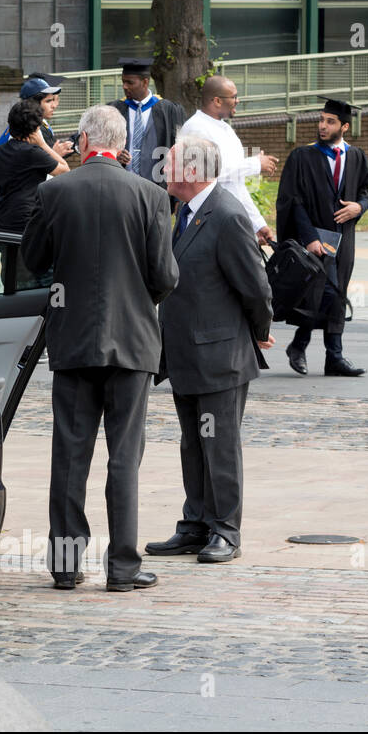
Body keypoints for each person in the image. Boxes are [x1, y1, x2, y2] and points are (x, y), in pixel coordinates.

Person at [20, 104, 179, 592]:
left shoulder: (54, 191)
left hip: (73, 340)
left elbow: (32, 260)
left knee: (70, 456)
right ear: (121, 144)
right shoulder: (150, 194)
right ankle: (124, 568)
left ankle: (66, 567)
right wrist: (137, 300)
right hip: (131, 342)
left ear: (85, 142)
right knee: (124, 458)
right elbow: (166, 276)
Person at [147, 137, 275, 564]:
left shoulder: (226, 215)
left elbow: (255, 287)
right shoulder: (185, 211)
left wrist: (260, 332)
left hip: (220, 355)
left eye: (173, 162)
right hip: (184, 352)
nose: (165, 166)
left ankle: (225, 529)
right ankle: (195, 524)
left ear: (194, 171)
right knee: (192, 443)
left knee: (217, 443)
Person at [276, 98, 368, 377]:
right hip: (314, 238)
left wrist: (359, 207)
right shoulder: (302, 157)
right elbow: (291, 200)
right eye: (321, 120)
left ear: (344, 126)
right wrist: (308, 238)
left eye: (330, 121)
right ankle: (310, 347)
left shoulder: (356, 157)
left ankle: (328, 356)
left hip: (344, 238)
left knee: (337, 293)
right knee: (323, 293)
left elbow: (367, 190)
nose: (322, 125)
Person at [179, 75, 278, 246]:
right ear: (217, 100)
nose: (237, 101)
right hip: (206, 220)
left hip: (226, 215)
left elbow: (235, 185)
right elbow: (210, 172)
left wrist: (257, 223)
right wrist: (255, 164)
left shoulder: (224, 129)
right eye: (233, 96)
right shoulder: (196, 128)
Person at [0, 98, 69, 233]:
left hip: (4, 220)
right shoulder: (34, 153)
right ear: (36, 129)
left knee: (9, 254)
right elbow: (65, 170)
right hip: (30, 220)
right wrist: (42, 144)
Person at [109, 57, 186, 196]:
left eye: (129, 82)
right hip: (121, 186)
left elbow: (180, 151)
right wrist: (115, 156)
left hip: (157, 187)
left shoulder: (169, 110)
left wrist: (177, 196)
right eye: (123, 82)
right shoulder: (114, 109)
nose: (124, 86)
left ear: (145, 82)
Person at [0, 75, 75, 157]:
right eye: (48, 101)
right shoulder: (29, 129)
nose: (54, 106)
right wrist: (54, 155)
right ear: (33, 104)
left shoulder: (35, 123)